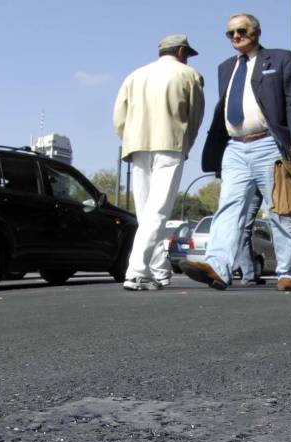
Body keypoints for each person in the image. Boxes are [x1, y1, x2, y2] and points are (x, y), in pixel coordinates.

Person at [180, 12, 291, 292]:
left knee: (280, 210)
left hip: (268, 144)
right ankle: (218, 266)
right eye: (230, 33)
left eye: (241, 31)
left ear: (257, 32)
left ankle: (287, 273)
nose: (235, 37)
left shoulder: (280, 58)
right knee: (229, 208)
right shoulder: (226, 67)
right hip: (235, 147)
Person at [113, 34, 206, 291]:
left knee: (146, 213)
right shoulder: (189, 74)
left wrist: (129, 137)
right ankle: (136, 271)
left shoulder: (134, 76)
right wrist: (186, 143)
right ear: (180, 51)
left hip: (137, 144)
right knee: (158, 212)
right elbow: (195, 116)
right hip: (171, 143)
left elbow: (119, 116)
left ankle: (159, 268)